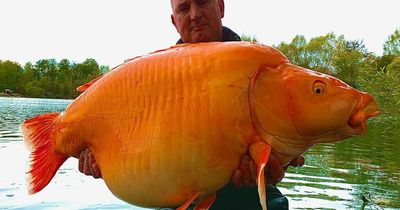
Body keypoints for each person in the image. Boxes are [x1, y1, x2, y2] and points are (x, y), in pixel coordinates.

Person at [79, 0, 304, 209]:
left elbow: (292, 146)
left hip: (250, 200)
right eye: (184, 8)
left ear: (221, 6)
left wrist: (279, 164)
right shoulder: (151, 78)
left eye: (203, 2)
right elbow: (129, 145)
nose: (195, 15)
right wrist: (104, 160)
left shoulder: (262, 68)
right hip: (176, 199)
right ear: (174, 21)